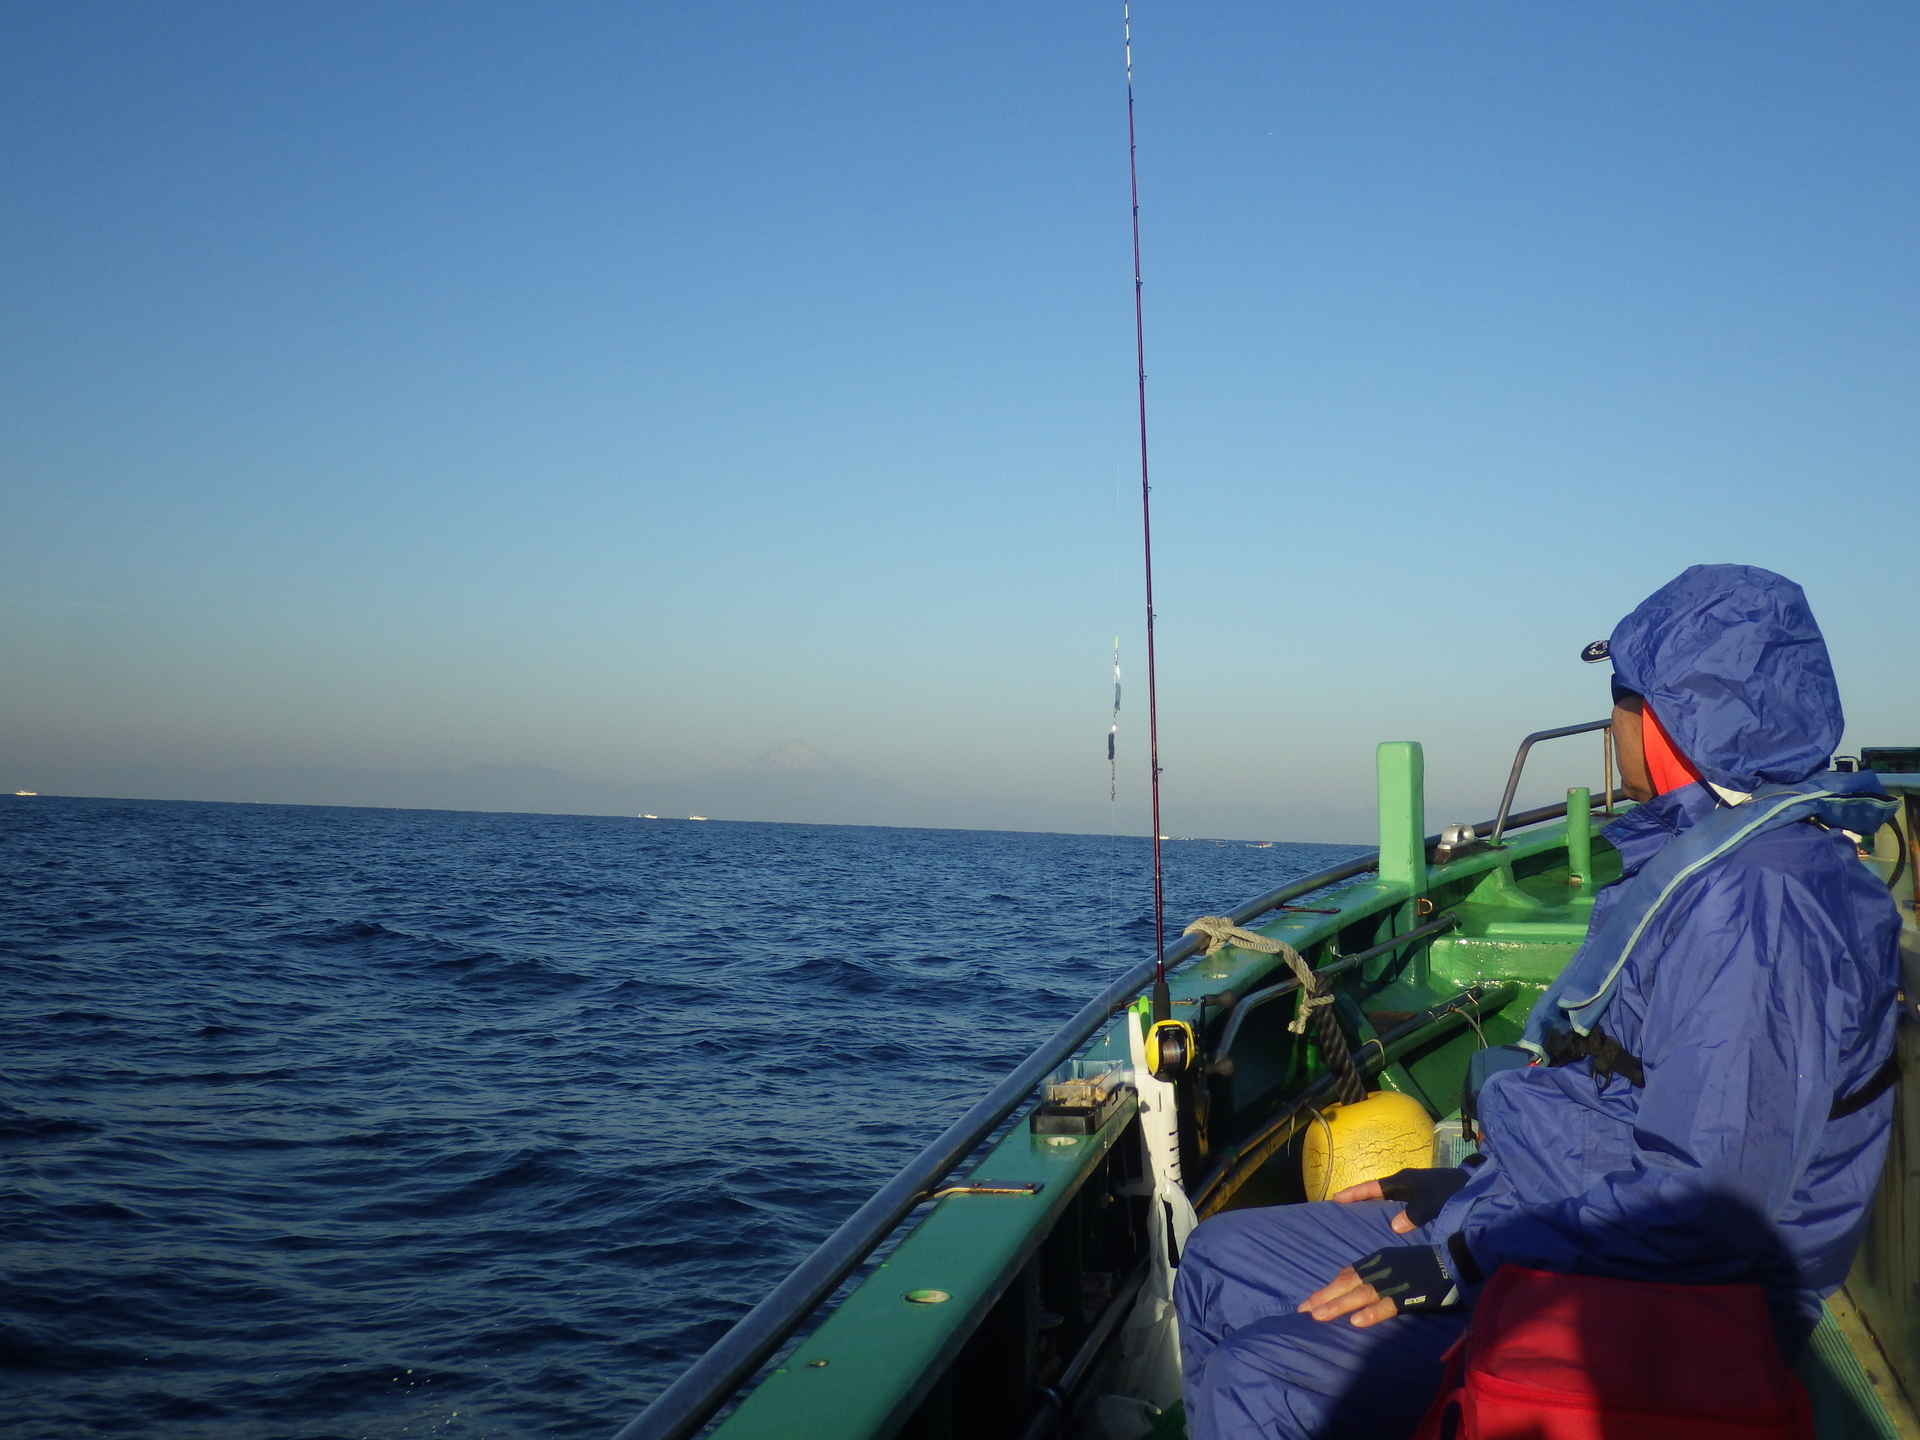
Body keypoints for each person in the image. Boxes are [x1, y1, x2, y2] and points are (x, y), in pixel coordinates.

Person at [1174, 564, 1903, 1440]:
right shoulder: (1721, 869)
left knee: (1264, 1382)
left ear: (1674, 719)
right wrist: (1472, 1185)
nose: (1613, 727)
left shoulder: (1759, 908)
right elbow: (1623, 1110)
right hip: (1564, 1225)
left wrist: (1470, 1254)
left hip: (1664, 1313)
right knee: (1220, 1262)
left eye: (1622, 700)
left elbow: (1700, 1216)